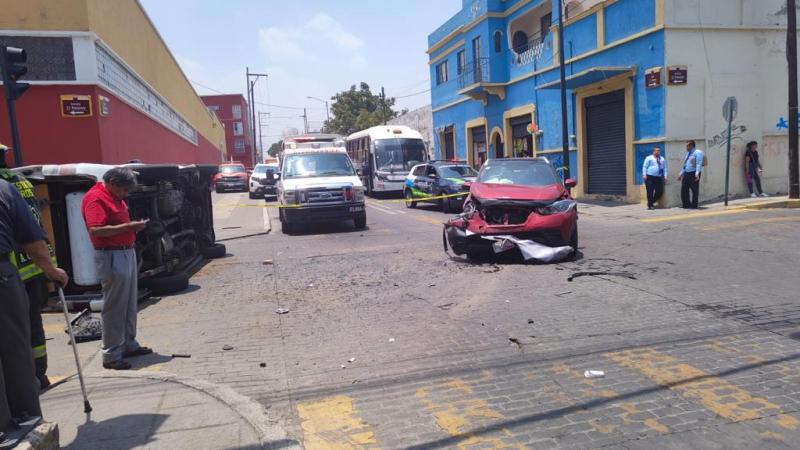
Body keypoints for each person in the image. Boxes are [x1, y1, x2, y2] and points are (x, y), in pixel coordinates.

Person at [1, 177, 69, 437]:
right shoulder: (7, 188)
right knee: (15, 348)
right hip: (3, 276)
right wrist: (52, 270)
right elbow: (33, 242)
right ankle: (25, 416)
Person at [81, 167, 151, 370]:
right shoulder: (95, 198)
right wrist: (129, 227)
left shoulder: (114, 197)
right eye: (123, 190)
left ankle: (128, 343)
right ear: (111, 182)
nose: (125, 194)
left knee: (129, 302)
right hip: (111, 255)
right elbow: (96, 229)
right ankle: (111, 354)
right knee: (115, 306)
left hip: (124, 252)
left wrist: (129, 227)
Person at [0, 144, 56, 390]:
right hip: (35, 266)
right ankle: (40, 374)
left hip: (13, 268)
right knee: (34, 322)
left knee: (16, 329)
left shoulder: (3, 185)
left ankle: (25, 381)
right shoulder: (21, 180)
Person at [678, 140, 704, 209]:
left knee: (694, 190)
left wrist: (697, 173)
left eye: (687, 146)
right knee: (684, 189)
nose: (686, 147)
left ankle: (694, 205)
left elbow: (699, 163)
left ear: (691, 146)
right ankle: (686, 204)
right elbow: (685, 164)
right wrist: (681, 174)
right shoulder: (688, 153)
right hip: (687, 173)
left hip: (694, 173)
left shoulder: (698, 152)